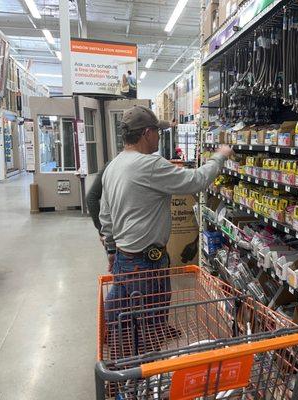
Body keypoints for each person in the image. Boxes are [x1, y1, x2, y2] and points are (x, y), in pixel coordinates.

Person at [99, 105, 232, 338]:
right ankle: (142, 366)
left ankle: (142, 341)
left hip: (124, 257)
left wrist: (111, 249)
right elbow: (196, 181)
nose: (159, 136)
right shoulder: (150, 164)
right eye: (157, 132)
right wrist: (219, 156)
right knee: (146, 319)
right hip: (145, 262)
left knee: (129, 312)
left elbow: (105, 215)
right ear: (146, 133)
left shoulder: (114, 165)